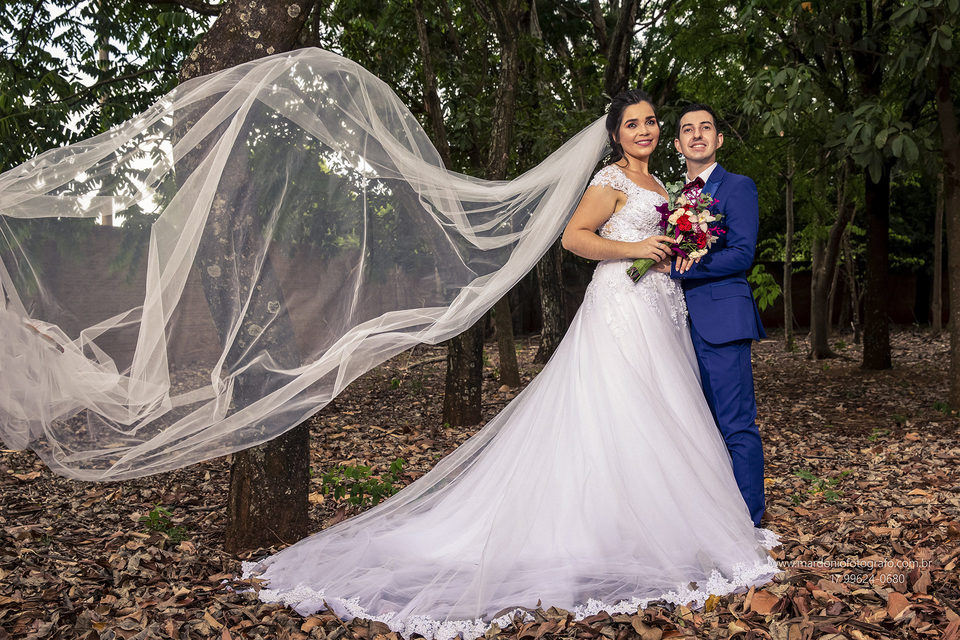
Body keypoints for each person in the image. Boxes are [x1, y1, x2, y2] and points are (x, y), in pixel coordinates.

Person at [239, 89, 780, 639]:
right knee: (619, 405)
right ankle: (609, 523)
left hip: (661, 309)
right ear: (615, 134)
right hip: (621, 306)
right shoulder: (609, 182)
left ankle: (680, 520)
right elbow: (575, 238)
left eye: (650, 122)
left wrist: (664, 255)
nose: (644, 130)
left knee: (665, 412)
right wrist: (639, 248)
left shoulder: (664, 187)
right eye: (632, 124)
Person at [668, 104, 767, 527]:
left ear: (718, 139)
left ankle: (749, 522)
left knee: (735, 424)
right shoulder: (673, 199)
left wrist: (681, 265)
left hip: (723, 321)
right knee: (697, 428)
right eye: (687, 130)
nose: (697, 135)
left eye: (705, 127)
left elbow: (742, 253)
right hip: (676, 322)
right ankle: (714, 519)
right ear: (677, 144)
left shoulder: (738, 186)